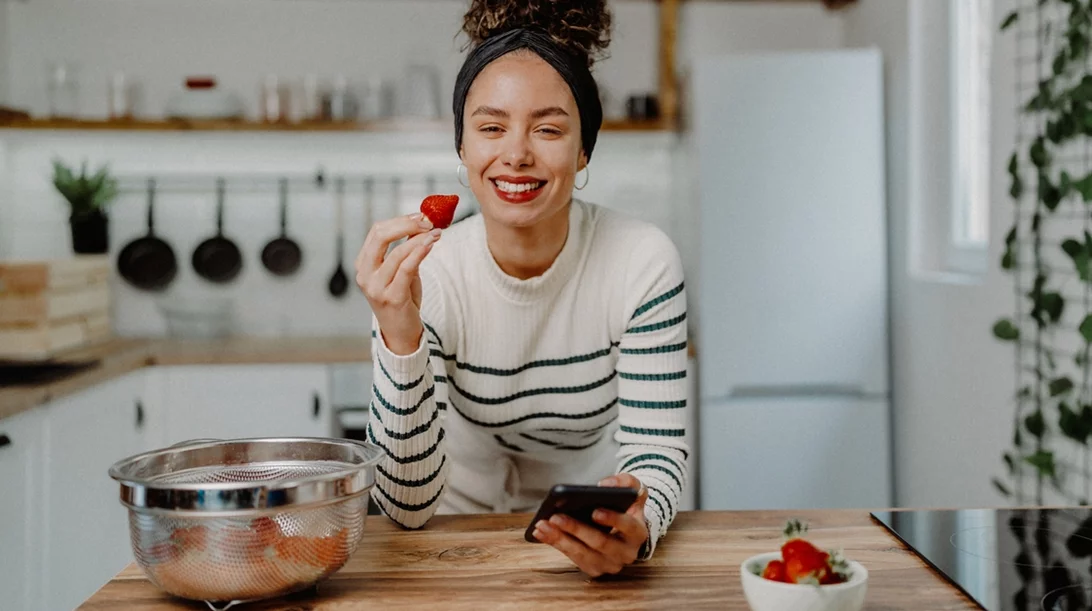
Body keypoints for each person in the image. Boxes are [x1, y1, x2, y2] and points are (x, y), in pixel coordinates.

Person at [354, 0, 689, 578]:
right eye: (490, 127)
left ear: (583, 150)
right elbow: (404, 510)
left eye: (549, 128)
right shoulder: (428, 273)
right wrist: (400, 338)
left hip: (589, 524)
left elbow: (655, 455)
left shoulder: (642, 261)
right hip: (453, 535)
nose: (516, 153)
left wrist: (639, 528)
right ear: (462, 147)